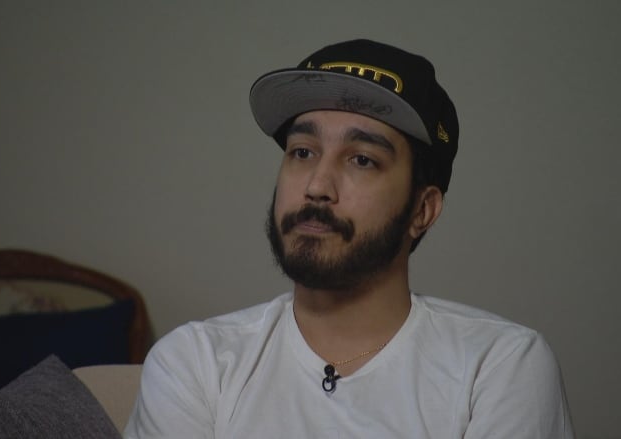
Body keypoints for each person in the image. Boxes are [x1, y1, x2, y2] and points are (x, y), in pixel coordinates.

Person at [124, 39, 574, 438]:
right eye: (302, 152)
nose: (317, 185)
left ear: (423, 210)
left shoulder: (500, 367)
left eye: (361, 159)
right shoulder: (196, 363)